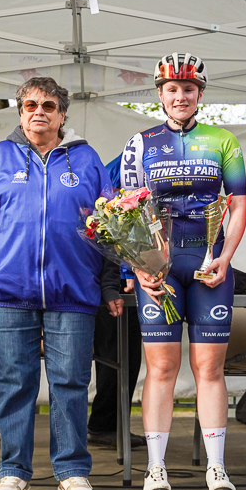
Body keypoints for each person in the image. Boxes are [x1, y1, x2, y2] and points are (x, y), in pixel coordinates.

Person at [0, 77, 121, 490]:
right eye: (30, 105)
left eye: (48, 105)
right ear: (20, 111)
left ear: (63, 114)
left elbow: (108, 228)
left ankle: (72, 472)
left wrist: (106, 284)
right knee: (15, 383)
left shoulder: (88, 161)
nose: (38, 112)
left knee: (70, 382)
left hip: (73, 291)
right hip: (7, 291)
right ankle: (13, 473)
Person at [121, 53, 246, 490]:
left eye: (189, 89)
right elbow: (126, 211)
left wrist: (226, 257)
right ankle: (156, 469)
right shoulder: (140, 143)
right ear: (160, 94)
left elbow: (237, 204)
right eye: (172, 89)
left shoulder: (223, 141)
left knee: (209, 368)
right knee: (161, 369)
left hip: (209, 266)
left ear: (200, 94)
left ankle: (217, 467)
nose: (181, 96)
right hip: (161, 270)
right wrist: (139, 267)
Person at [87, 156, 144, 451]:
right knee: (117, 353)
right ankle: (104, 425)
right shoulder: (124, 165)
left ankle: (108, 423)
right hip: (110, 279)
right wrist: (125, 271)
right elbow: (103, 226)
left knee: (130, 354)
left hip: (136, 275)